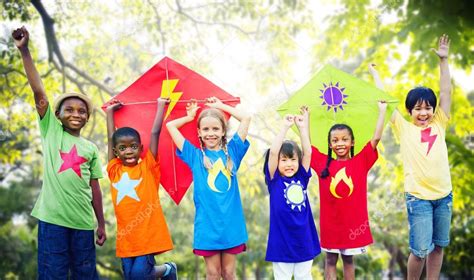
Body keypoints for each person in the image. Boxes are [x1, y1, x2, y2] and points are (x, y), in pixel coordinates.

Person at [12, 26, 106, 278]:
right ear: (57, 115)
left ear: (87, 119)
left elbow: (95, 188)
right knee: (52, 273)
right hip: (53, 222)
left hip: (83, 224)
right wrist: (25, 51)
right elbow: (39, 93)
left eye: (82, 111)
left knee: (85, 275)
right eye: (70, 109)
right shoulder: (51, 131)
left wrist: (101, 223)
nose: (76, 113)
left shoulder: (90, 148)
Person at [369, 34, 453, 279]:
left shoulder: (439, 124)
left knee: (439, 246)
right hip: (419, 199)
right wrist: (376, 76)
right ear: (410, 111)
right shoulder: (403, 128)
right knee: (419, 251)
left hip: (444, 196)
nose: (424, 112)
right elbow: (383, 98)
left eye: (428, 107)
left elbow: (446, 92)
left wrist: (443, 61)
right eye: (418, 108)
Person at [166, 96, 251, 280]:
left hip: (231, 225)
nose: (210, 133)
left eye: (215, 128)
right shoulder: (194, 156)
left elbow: (246, 119)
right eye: (205, 129)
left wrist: (219, 106)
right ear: (199, 132)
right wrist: (189, 117)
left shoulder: (234, 152)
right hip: (207, 226)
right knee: (212, 274)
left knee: (229, 273)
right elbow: (170, 126)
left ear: (222, 131)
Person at [310, 101, 388, 279]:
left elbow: (375, 139)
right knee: (330, 260)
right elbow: (308, 148)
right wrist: (304, 121)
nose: (340, 144)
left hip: (353, 224)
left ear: (352, 142)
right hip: (331, 224)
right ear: (329, 144)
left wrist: (382, 111)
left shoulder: (360, 162)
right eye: (335, 140)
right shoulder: (323, 163)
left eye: (345, 139)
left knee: (348, 260)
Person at [106, 98, 177, 279]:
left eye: (133, 147)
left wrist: (160, 106)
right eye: (122, 148)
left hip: (147, 234)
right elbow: (109, 138)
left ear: (141, 148)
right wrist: (109, 113)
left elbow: (154, 133)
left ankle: (167, 269)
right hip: (126, 238)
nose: (128, 151)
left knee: (139, 275)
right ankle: (166, 271)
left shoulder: (148, 168)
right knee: (130, 276)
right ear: (115, 152)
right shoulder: (114, 170)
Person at [263, 106, 321, 280]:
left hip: (304, 239)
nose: (289, 164)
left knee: (305, 276)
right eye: (284, 160)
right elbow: (273, 152)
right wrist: (285, 127)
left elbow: (308, 153)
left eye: (293, 159)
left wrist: (303, 128)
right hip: (281, 242)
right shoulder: (274, 180)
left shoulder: (302, 177)